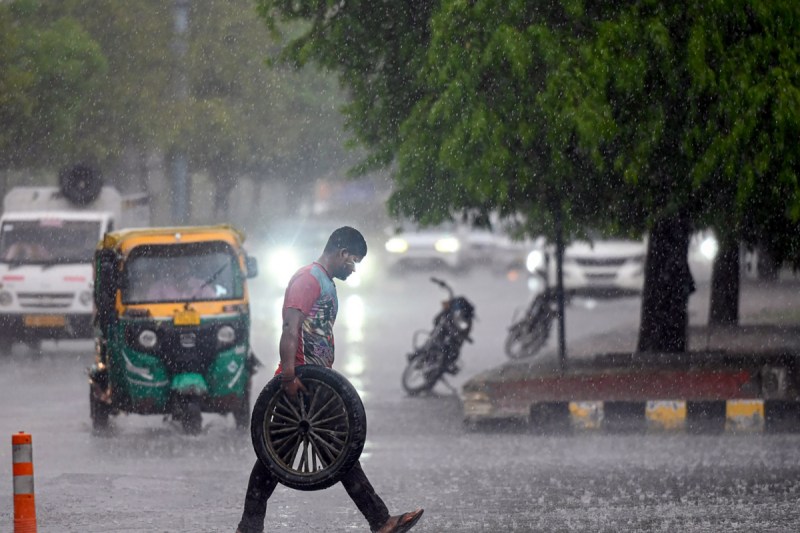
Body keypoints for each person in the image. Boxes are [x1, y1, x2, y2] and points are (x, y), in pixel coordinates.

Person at [236, 226, 423, 533]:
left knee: (289, 457)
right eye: (353, 261)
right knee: (290, 456)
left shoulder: (325, 283)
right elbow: (290, 327)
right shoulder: (307, 279)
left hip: (318, 386)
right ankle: (381, 521)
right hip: (300, 385)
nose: (353, 268)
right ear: (340, 252)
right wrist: (288, 375)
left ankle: (250, 527)